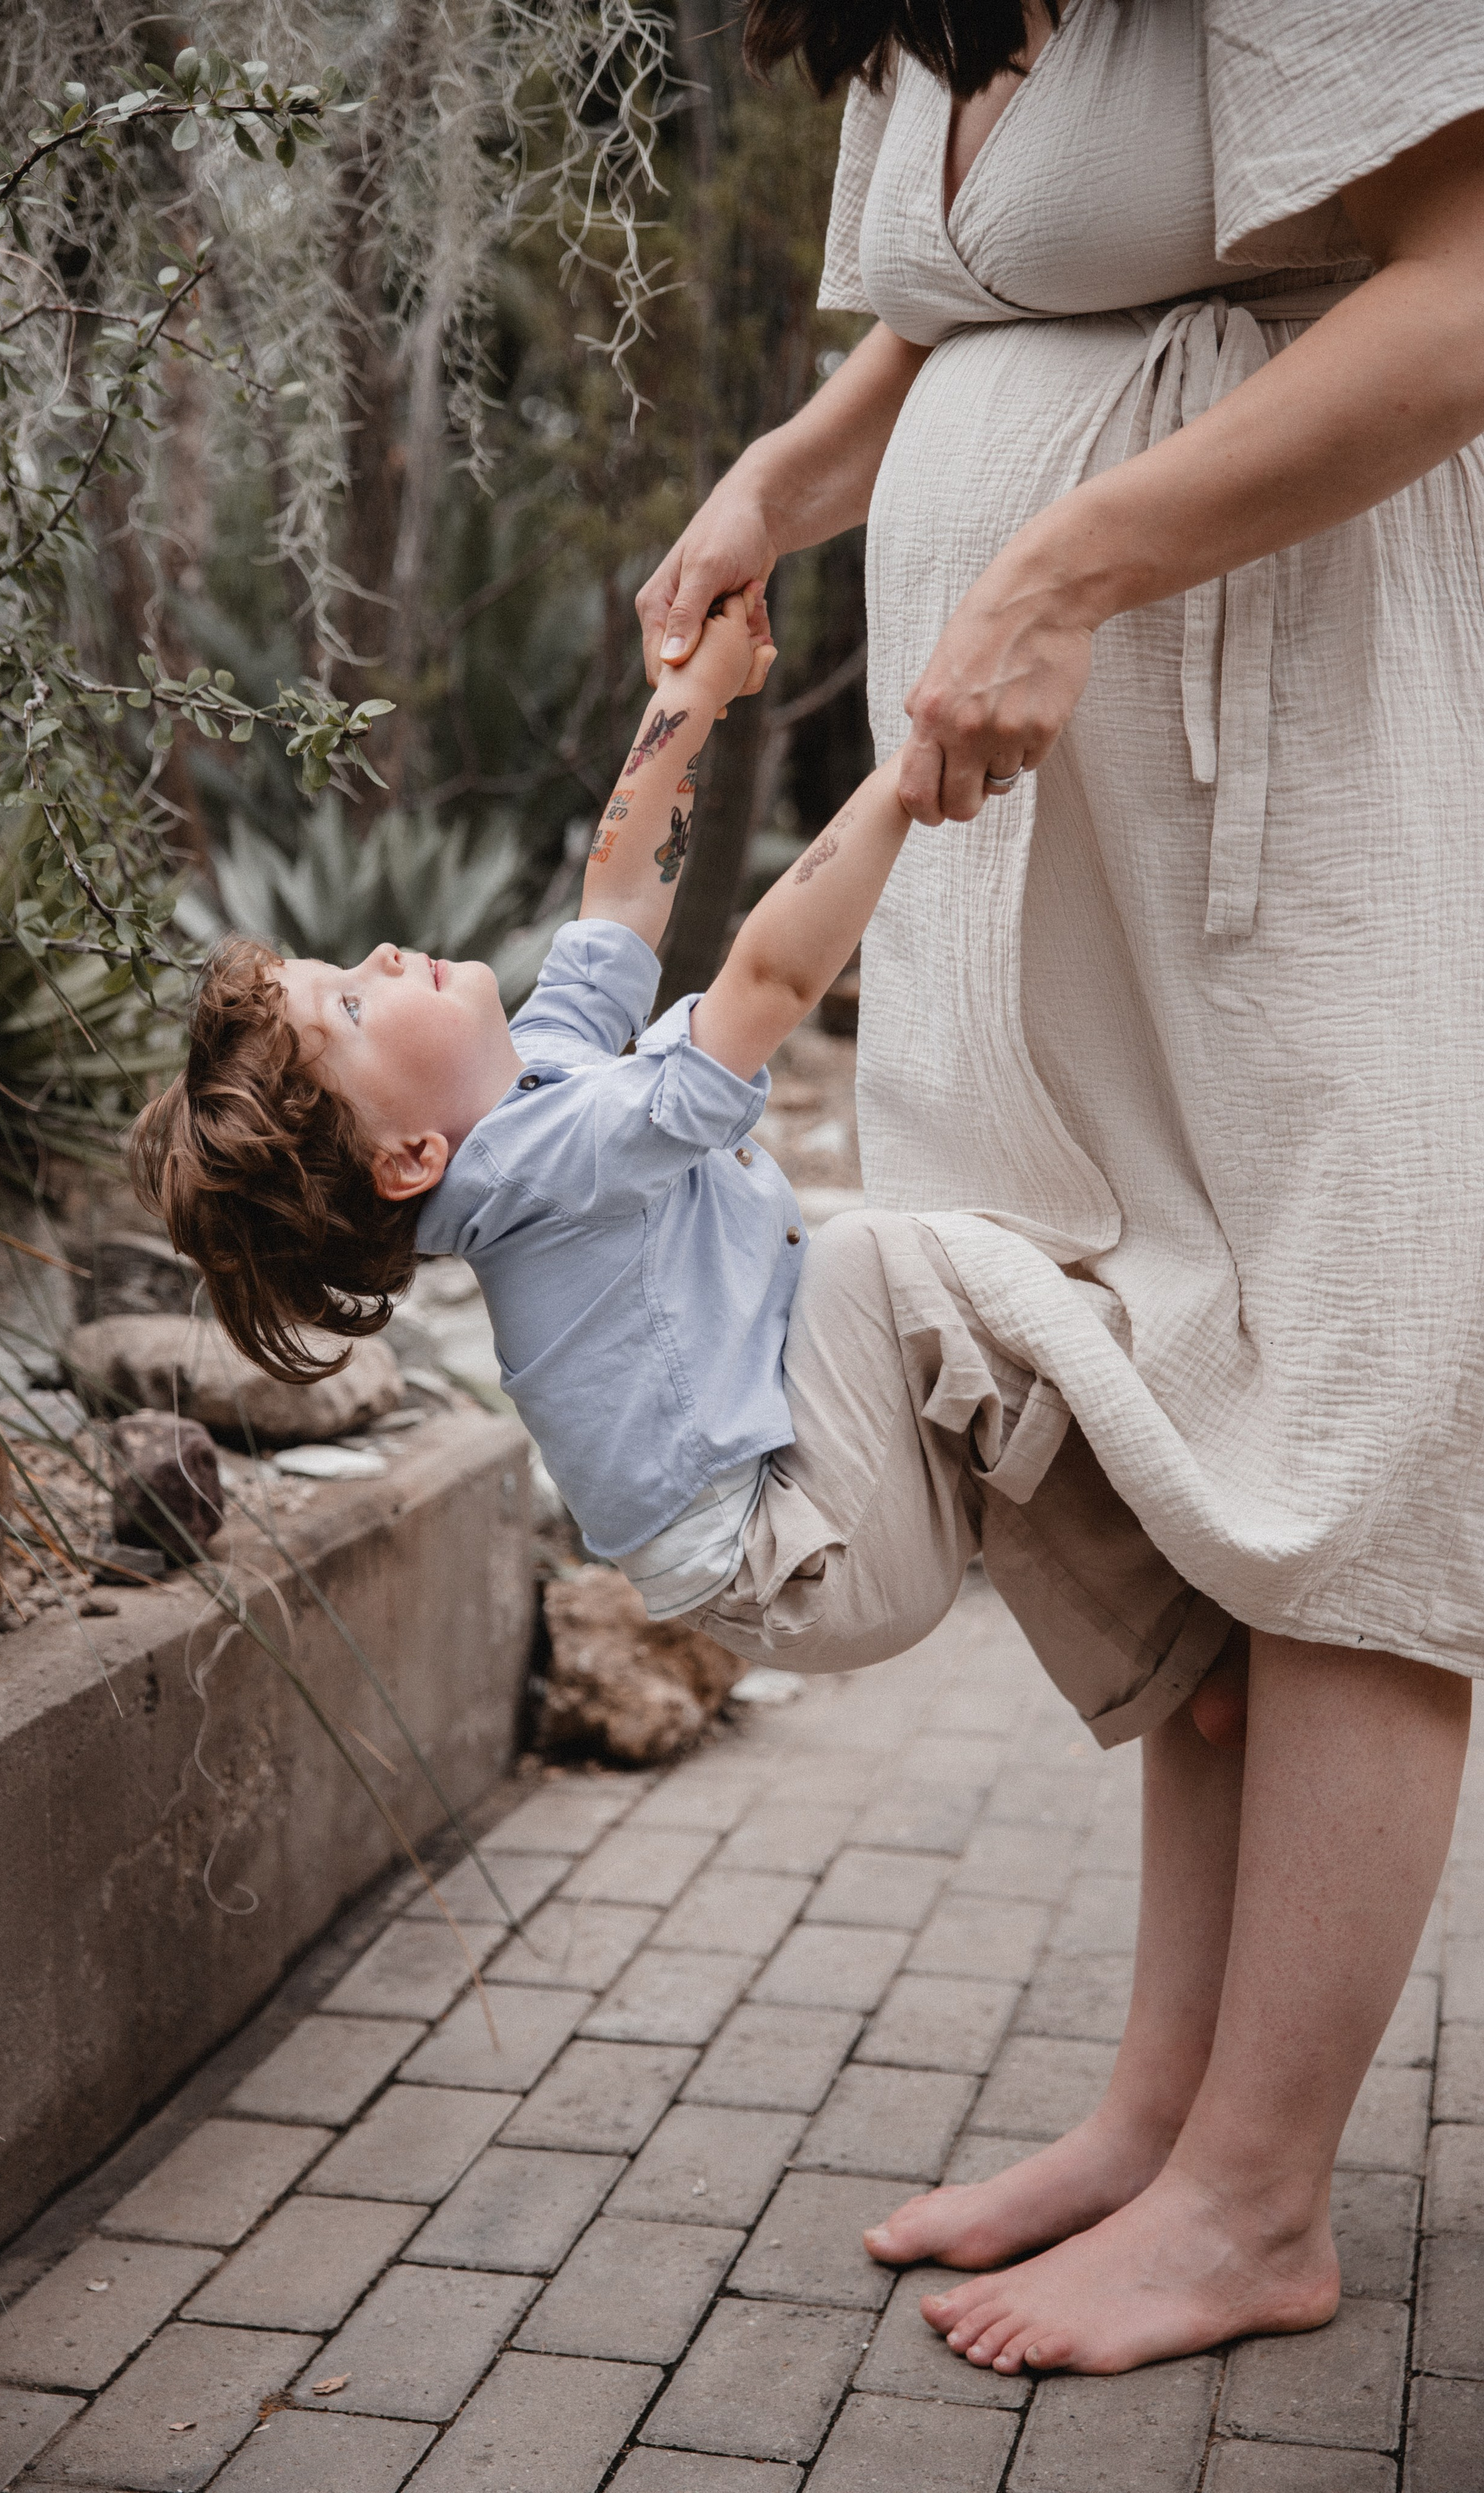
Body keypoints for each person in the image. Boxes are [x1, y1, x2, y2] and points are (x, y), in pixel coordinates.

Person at [635, 0, 1484, 2381]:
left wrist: (1072, 562)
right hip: (1052, 809)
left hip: (1290, 724)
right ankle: (1161, 2112)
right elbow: (976, 303)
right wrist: (780, 483)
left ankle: (1258, 2197)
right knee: (1134, 1389)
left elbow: (1465, 296)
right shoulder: (923, 9)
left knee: (1338, 1394)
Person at [132, 593, 1235, 1768]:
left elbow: (620, 901)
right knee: (876, 1264)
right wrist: (905, 780)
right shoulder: (539, 1171)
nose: (384, 955)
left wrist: (690, 696)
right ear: (411, 1158)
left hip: (796, 1513)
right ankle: (1176, 1429)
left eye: (344, 966)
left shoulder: (535, 1082)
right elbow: (766, 983)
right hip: (792, 1556)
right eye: (351, 1005)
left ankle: (1168, 1657)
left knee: (877, 1279)